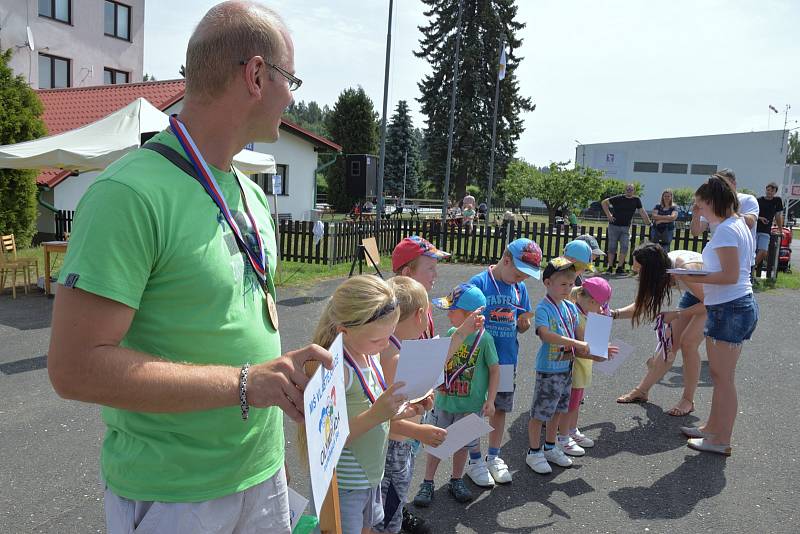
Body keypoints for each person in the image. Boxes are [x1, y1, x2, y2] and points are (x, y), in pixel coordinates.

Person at [46, 4, 332, 532]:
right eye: (288, 79)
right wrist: (246, 383)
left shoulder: (251, 194)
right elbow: (73, 369)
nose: (292, 97)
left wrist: (281, 377)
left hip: (262, 474)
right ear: (254, 75)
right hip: (176, 497)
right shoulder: (128, 194)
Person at [305, 275, 424, 534]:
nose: (385, 345)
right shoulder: (337, 370)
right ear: (344, 330)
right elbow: (328, 441)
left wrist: (406, 410)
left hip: (370, 477)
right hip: (345, 485)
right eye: (377, 340)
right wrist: (377, 413)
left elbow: (374, 411)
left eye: (390, 336)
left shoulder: (369, 356)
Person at [377, 277, 483, 534]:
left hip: (400, 445)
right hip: (393, 449)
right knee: (386, 516)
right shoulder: (394, 356)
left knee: (391, 506)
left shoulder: (395, 346)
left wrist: (419, 407)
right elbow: (382, 419)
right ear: (419, 316)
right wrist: (418, 431)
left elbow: (433, 365)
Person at [674, 176, 758, 456]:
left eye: (700, 204)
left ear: (712, 202)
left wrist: (689, 274)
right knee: (722, 377)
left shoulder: (725, 230)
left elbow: (729, 275)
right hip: (734, 305)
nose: (698, 210)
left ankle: (720, 439)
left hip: (729, 308)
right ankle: (713, 428)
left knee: (723, 379)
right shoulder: (735, 224)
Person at [413, 284, 499, 505]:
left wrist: (490, 400)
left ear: (471, 315)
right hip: (444, 401)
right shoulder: (453, 334)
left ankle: (456, 479)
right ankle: (428, 482)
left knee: (462, 445)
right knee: (436, 443)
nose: (449, 313)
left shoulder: (485, 339)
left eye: (454, 310)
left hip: (470, 405)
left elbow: (495, 369)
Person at [468, 238, 541, 484]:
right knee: (476, 411)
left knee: (499, 409)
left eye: (526, 277)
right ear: (506, 260)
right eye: (519, 274)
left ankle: (494, 456)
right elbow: (463, 321)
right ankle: (474, 459)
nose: (521, 280)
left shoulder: (520, 289)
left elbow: (522, 323)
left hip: (506, 361)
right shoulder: (479, 283)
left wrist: (524, 324)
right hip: (478, 362)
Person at [526, 258, 607, 474]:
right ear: (547, 283)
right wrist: (577, 343)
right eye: (562, 284)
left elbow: (583, 339)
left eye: (571, 285)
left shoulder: (571, 308)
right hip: (548, 370)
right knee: (540, 414)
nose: (567, 289)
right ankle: (534, 452)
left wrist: (600, 352)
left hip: (566, 369)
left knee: (559, 411)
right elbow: (545, 335)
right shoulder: (543, 308)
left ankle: (551, 447)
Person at [612, 243, 707, 417]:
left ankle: (688, 400)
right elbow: (641, 307)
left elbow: (710, 303)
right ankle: (642, 391)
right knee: (669, 345)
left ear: (652, 269)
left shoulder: (683, 268)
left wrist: (678, 313)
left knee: (688, 343)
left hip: (718, 298)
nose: (637, 276)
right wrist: (613, 314)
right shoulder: (661, 269)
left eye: (639, 271)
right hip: (697, 294)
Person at [557, 277, 613, 456]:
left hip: (582, 368)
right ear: (592, 301)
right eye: (601, 306)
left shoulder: (585, 314)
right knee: (569, 405)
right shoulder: (576, 316)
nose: (602, 310)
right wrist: (601, 351)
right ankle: (563, 437)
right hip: (574, 367)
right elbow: (581, 346)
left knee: (576, 402)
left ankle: (571, 431)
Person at [392, 235, 450, 338]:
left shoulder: (423, 302)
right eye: (430, 268)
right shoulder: (393, 313)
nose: (436, 274)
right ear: (408, 273)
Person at [602, 183, 652, 274]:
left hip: (625, 227)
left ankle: (619, 268)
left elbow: (642, 211)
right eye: (628, 189)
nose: (629, 191)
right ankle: (610, 268)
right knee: (612, 247)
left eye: (631, 189)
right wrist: (608, 215)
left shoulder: (636, 200)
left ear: (634, 191)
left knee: (624, 247)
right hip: (614, 226)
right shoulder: (618, 198)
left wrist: (648, 222)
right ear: (625, 190)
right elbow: (604, 202)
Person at [755, 182, 785, 269]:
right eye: (768, 190)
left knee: (763, 251)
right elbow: (751, 214)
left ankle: (751, 268)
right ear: (765, 190)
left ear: (775, 192)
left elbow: (778, 216)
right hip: (754, 229)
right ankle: (750, 272)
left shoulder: (777, 200)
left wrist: (780, 230)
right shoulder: (758, 200)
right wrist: (760, 218)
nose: (769, 192)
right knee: (752, 252)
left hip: (766, 230)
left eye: (772, 190)